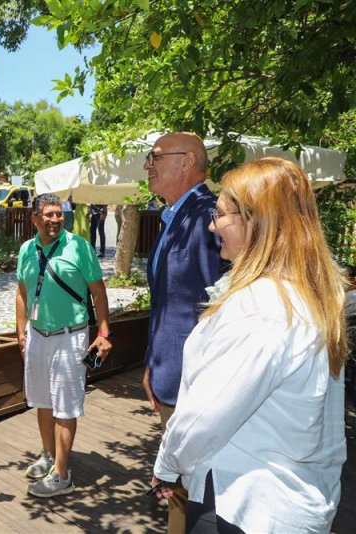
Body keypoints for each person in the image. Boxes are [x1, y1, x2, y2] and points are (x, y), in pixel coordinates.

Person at [151, 157, 347, 533]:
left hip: (243, 504)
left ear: (256, 221)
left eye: (221, 215)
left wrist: (167, 465)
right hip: (287, 499)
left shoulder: (263, 306)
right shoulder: (306, 295)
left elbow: (207, 416)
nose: (212, 225)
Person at [141, 132, 224, 533]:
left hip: (197, 387)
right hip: (171, 376)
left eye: (155, 156)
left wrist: (202, 383)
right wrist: (152, 364)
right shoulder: (178, 214)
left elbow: (217, 311)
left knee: (191, 495)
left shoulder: (209, 218)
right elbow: (168, 305)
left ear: (186, 162)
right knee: (179, 494)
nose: (147, 165)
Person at [15, 193, 112, 498]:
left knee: (65, 405)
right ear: (35, 219)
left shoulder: (78, 246)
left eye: (59, 214)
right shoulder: (26, 250)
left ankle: (62, 474)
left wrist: (104, 332)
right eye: (49, 214)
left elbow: (98, 291)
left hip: (71, 336)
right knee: (43, 401)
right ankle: (47, 455)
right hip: (37, 336)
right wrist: (21, 333)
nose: (56, 219)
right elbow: (21, 292)